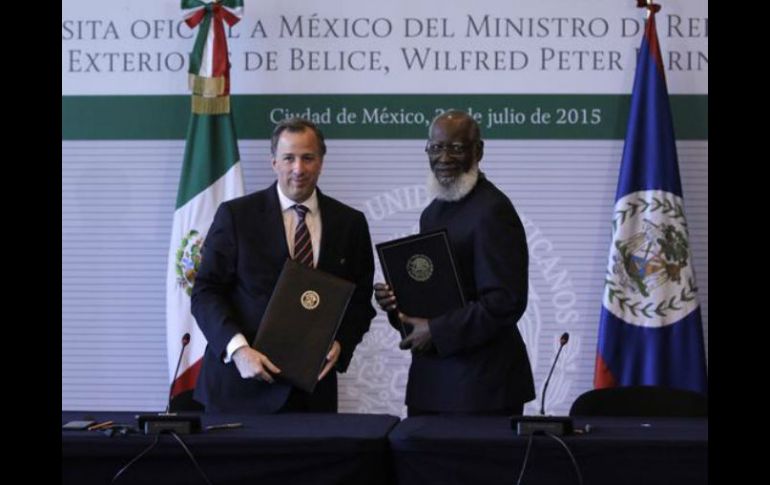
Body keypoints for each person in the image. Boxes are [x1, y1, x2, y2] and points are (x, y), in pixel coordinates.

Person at [191, 118, 376, 413]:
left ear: (321, 162)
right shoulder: (236, 216)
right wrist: (238, 351)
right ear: (274, 161)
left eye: (308, 158)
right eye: (289, 158)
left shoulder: (349, 224)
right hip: (239, 391)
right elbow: (205, 292)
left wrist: (341, 343)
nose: (298, 169)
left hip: (312, 395)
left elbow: (360, 302)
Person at [374, 110, 535, 416]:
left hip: (482, 387)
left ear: (479, 151)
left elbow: (505, 302)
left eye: (456, 147)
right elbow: (435, 293)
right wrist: (398, 304)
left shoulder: (493, 211)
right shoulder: (432, 212)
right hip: (433, 384)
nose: (444, 157)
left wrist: (435, 330)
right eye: (436, 147)